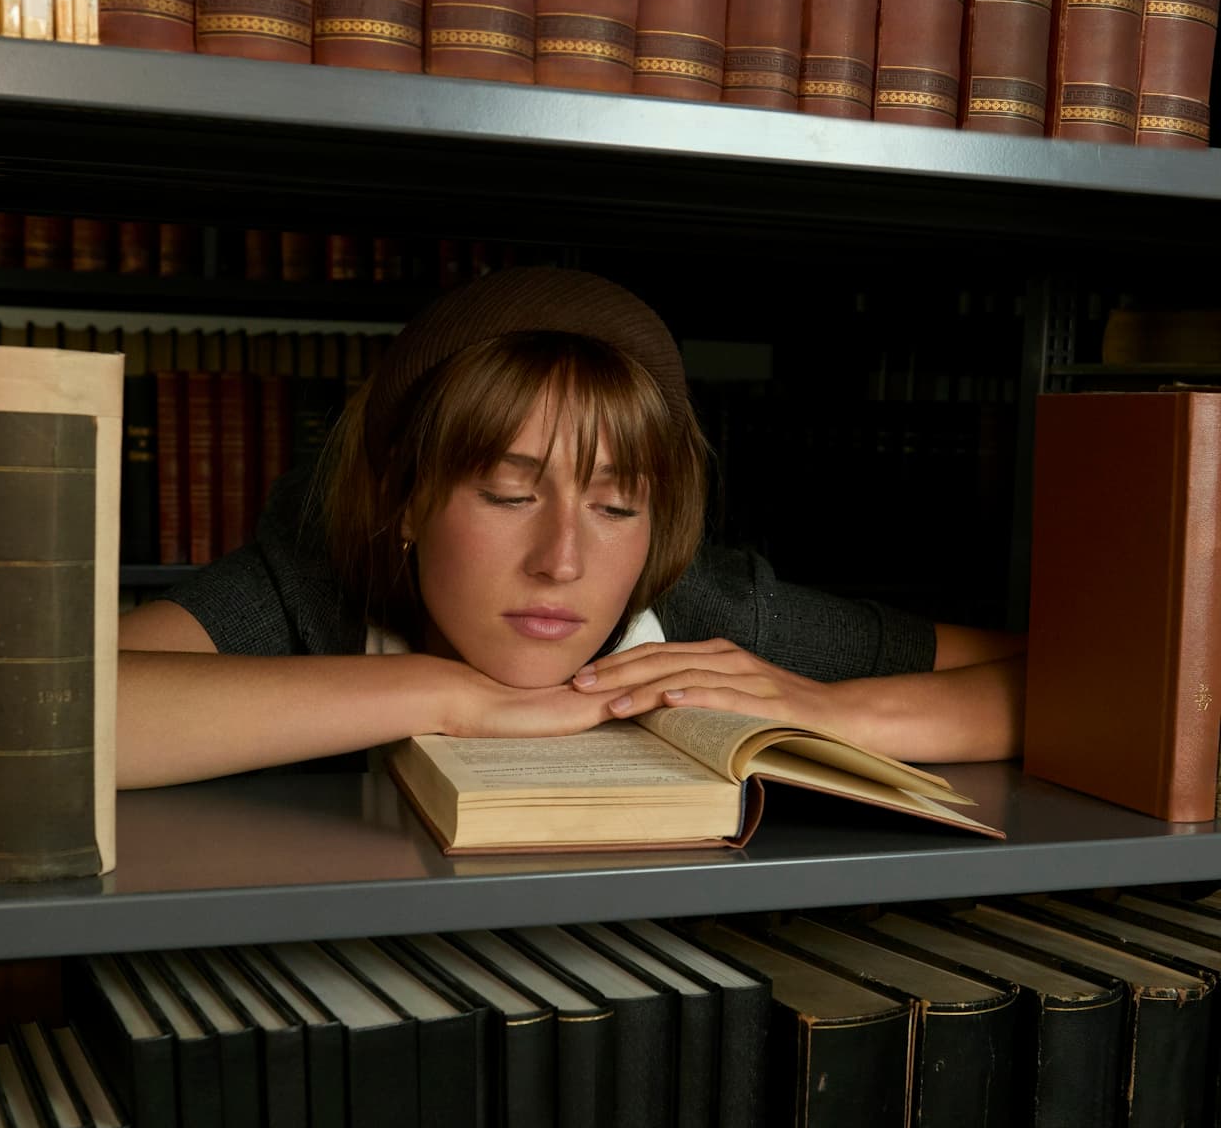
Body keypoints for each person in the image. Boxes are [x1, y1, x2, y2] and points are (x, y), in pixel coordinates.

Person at [118, 268, 1025, 790]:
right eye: (509, 496)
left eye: (617, 507)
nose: (562, 563)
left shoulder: (701, 613)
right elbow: (40, 710)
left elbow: (1077, 684)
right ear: (402, 499)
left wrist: (827, 711)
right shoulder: (310, 578)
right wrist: (449, 698)